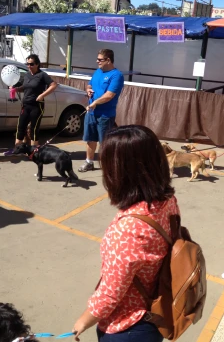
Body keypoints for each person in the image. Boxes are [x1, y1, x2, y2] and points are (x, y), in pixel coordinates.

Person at [70, 125, 177, 342]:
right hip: (156, 312)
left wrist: (83, 320)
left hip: (127, 326)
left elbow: (110, 294)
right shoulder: (166, 201)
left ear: (119, 172)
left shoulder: (128, 230)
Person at [1, 53, 56, 154]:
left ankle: (34, 152)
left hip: (37, 106)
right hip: (25, 105)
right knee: (20, 127)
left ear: (37, 64)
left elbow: (53, 85)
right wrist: (16, 89)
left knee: (34, 129)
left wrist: (42, 95)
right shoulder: (26, 75)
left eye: (31, 64)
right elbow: (24, 87)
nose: (29, 66)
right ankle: (16, 149)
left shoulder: (42, 75)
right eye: (28, 64)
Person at [79, 49, 124, 172]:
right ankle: (89, 162)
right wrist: (88, 90)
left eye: (100, 59)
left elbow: (109, 95)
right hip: (92, 113)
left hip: (105, 115)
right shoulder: (98, 72)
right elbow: (90, 85)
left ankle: (108, 165)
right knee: (90, 139)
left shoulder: (117, 75)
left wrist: (95, 103)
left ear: (108, 60)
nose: (97, 61)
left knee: (105, 142)